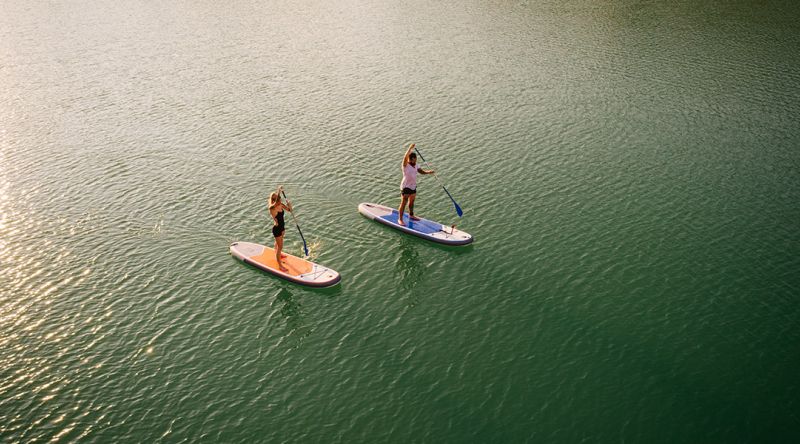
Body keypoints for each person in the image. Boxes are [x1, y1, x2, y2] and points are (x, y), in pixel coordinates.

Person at [398, 143, 434, 226]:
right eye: (414, 159)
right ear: (410, 159)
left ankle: (411, 215)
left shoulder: (416, 165)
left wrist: (429, 172)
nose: (415, 161)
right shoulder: (405, 165)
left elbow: (421, 171)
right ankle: (400, 219)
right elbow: (405, 156)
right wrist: (410, 148)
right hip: (406, 187)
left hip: (413, 186)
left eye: (416, 159)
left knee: (411, 202)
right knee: (403, 203)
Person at [268, 185, 293, 271]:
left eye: (279, 198)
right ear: (273, 200)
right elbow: (274, 204)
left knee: (278, 244)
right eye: (277, 198)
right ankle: (280, 265)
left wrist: (289, 204)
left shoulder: (281, 205)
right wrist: (279, 190)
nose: (279, 199)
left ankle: (277, 253)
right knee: (280, 247)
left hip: (282, 227)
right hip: (277, 229)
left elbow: (290, 210)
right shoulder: (272, 208)